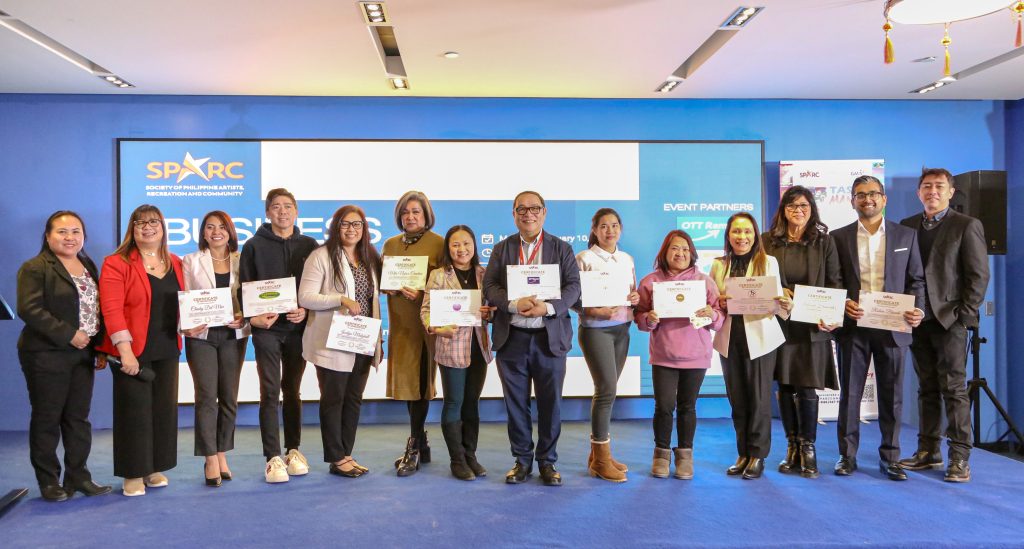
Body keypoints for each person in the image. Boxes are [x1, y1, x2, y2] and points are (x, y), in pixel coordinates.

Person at [483, 190, 581, 486]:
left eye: (534, 208)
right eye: (521, 209)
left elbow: (574, 287)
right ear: (514, 214)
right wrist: (513, 304)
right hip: (512, 337)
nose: (528, 214)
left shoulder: (561, 248)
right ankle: (522, 460)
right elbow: (490, 285)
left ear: (544, 212)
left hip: (549, 338)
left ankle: (547, 462)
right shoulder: (502, 249)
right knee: (516, 404)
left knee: (551, 403)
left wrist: (548, 307)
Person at [898, 168, 989, 483]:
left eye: (939, 186)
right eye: (926, 186)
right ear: (918, 192)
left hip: (949, 321)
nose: (932, 191)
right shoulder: (908, 226)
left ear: (951, 192)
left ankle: (960, 458)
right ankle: (928, 452)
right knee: (927, 389)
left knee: (953, 390)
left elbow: (978, 276)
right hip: (914, 320)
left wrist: (962, 314)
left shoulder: (967, 225)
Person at [831, 176, 925, 480]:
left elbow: (917, 280)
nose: (867, 199)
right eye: (860, 195)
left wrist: (918, 309)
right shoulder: (838, 237)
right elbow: (833, 282)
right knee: (850, 395)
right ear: (852, 201)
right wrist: (843, 302)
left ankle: (891, 457)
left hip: (893, 328)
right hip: (853, 328)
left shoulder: (906, 236)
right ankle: (847, 456)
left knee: (892, 396)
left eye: (873, 194)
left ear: (884, 199)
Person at [17, 211, 112, 501]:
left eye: (75, 231)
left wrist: (99, 346)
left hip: (83, 355)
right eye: (62, 232)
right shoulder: (35, 267)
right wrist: (68, 334)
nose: (69, 237)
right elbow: (30, 310)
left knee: (78, 419)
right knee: (48, 418)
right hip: (46, 354)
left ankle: (78, 476)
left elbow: (94, 308)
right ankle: (48, 481)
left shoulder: (86, 264)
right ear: (47, 236)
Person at [97, 205, 185, 496]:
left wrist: (195, 325)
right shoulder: (116, 262)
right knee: (133, 414)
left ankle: (153, 467)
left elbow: (186, 305)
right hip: (131, 350)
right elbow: (111, 309)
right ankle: (132, 473)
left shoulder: (176, 262)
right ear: (131, 230)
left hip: (168, 347)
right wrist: (125, 352)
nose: (147, 227)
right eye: (140, 223)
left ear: (163, 226)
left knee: (162, 412)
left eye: (153, 222)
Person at [762, 186, 842, 479]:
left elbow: (835, 282)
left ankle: (808, 447)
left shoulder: (824, 242)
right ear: (783, 210)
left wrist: (832, 315)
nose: (798, 210)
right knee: (784, 387)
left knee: (807, 388)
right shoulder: (767, 241)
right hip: (780, 324)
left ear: (812, 209)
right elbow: (760, 279)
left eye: (804, 205)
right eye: (792, 205)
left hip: (812, 326)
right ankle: (792, 446)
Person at [239, 188, 317, 483]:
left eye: (288, 206)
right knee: (269, 392)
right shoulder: (253, 246)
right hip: (266, 331)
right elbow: (243, 287)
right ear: (267, 212)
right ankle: (272, 457)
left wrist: (307, 311)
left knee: (293, 392)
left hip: (297, 329)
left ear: (296, 211)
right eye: (276, 207)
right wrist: (253, 317)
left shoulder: (311, 245)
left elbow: (318, 287)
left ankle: (294, 450)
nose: (282, 212)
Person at [299, 206, 382, 478]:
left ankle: (347, 453)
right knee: (333, 398)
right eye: (345, 224)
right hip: (332, 339)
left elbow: (374, 299)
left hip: (363, 338)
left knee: (353, 399)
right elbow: (306, 297)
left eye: (356, 225)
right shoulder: (320, 256)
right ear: (336, 227)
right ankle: (336, 458)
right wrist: (340, 299)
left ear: (364, 229)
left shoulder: (370, 257)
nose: (351, 230)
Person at [635, 230, 724, 480]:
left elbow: (719, 318)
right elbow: (639, 318)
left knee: (688, 407)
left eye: (685, 249)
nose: (681, 253)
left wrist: (713, 315)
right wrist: (648, 319)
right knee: (664, 406)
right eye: (675, 248)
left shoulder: (704, 281)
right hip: (664, 355)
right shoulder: (650, 281)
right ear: (665, 252)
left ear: (692, 253)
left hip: (696, 354)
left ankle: (685, 455)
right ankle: (661, 454)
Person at [710, 212, 791, 480]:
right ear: (728, 235)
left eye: (746, 232)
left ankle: (757, 455)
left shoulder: (768, 263)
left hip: (761, 339)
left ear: (755, 235)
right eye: (736, 232)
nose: (741, 237)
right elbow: (710, 304)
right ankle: (742, 452)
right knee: (738, 400)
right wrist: (719, 302)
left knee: (758, 398)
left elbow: (776, 302)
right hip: (729, 339)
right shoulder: (718, 265)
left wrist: (783, 303)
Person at [420, 225, 495, 481]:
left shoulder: (485, 274)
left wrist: (490, 313)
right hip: (452, 345)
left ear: (474, 245)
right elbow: (426, 311)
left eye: (466, 243)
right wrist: (437, 328)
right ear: (448, 248)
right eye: (455, 244)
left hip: (479, 346)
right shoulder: (439, 275)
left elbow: (493, 308)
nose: (461, 249)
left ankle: (470, 455)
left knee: (472, 403)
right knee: (454, 402)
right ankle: (457, 459)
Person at [181, 211, 249, 487]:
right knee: (207, 396)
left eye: (222, 227)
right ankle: (210, 457)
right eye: (210, 227)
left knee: (229, 397)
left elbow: (252, 295)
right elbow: (183, 297)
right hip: (201, 336)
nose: (216, 232)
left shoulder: (243, 261)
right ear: (203, 233)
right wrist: (187, 325)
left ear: (230, 231)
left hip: (234, 334)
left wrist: (244, 314)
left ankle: (222, 453)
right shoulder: (191, 261)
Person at [382, 191, 445, 477]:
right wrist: (388, 287)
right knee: (408, 382)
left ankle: (415, 445)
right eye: (406, 212)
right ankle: (421, 439)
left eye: (416, 212)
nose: (410, 217)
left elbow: (447, 282)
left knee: (421, 382)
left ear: (426, 215)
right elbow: (382, 281)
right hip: (399, 323)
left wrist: (424, 293)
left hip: (425, 322)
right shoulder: (390, 244)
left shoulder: (439, 243)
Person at [575, 208, 639, 482]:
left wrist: (635, 298)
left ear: (620, 229)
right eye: (603, 226)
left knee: (608, 392)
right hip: (596, 331)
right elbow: (573, 298)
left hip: (622, 329)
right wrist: (591, 311)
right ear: (595, 230)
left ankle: (598, 454)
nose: (609, 231)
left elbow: (632, 291)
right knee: (606, 390)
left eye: (614, 225)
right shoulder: (584, 259)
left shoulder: (626, 259)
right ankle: (601, 459)